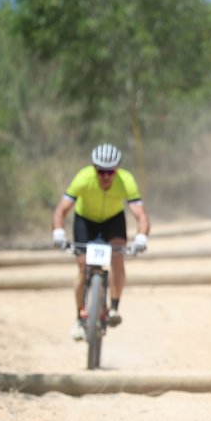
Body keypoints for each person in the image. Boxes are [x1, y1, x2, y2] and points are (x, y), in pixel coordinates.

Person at [51, 143, 151, 341]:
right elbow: (61, 210)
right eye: (101, 171)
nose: (105, 176)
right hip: (85, 220)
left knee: (118, 257)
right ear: (94, 169)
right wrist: (58, 233)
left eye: (110, 172)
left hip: (113, 220)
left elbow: (140, 215)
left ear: (117, 170)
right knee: (82, 266)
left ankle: (113, 307)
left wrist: (141, 236)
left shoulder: (126, 180)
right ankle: (79, 317)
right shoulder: (83, 178)